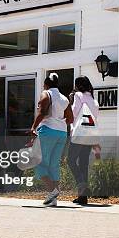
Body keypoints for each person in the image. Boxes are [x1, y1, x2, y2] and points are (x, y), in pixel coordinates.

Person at [30, 73, 73, 207]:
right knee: (53, 165)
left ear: (46, 84)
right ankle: (53, 199)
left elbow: (42, 113)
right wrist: (58, 121)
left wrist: (33, 128)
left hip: (47, 131)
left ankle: (52, 190)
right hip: (61, 133)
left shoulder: (46, 94)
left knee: (39, 162)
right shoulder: (64, 99)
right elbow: (70, 119)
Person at [67, 76, 99, 205]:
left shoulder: (78, 95)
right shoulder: (92, 98)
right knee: (83, 164)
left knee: (70, 160)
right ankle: (83, 197)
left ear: (78, 85)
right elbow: (95, 116)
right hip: (90, 134)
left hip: (79, 134)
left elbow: (74, 113)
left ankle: (82, 183)